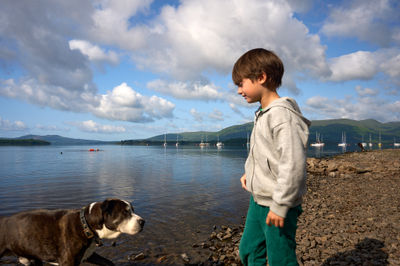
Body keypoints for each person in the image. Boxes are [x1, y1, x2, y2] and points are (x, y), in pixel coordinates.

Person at [232, 48, 311, 266]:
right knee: (248, 250)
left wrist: (281, 204)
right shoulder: (263, 114)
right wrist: (249, 173)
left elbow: (292, 165)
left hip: (277, 203)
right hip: (258, 199)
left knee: (280, 257)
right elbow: (262, 153)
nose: (239, 91)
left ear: (261, 77)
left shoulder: (283, 116)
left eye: (241, 83)